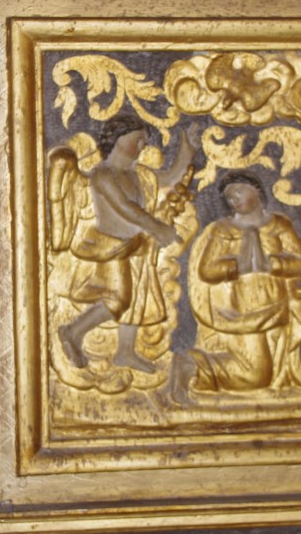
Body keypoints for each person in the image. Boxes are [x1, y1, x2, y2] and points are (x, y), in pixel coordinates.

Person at [53, 113, 199, 372]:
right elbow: (125, 208)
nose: (142, 147)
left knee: (137, 299)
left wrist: (187, 150)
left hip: (136, 246)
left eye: (143, 141)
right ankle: (73, 331)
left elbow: (171, 177)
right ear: (118, 139)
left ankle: (125, 351)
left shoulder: (139, 174)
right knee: (118, 299)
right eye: (137, 140)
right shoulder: (103, 175)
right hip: (112, 247)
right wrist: (156, 227)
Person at [170, 170, 301, 401]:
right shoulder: (223, 230)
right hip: (241, 313)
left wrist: (272, 264)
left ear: (256, 190)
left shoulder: (278, 225)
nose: (234, 199)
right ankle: (193, 366)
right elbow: (206, 270)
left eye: (239, 191)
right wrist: (237, 266)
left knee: (264, 372)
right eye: (229, 196)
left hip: (274, 309)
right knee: (254, 375)